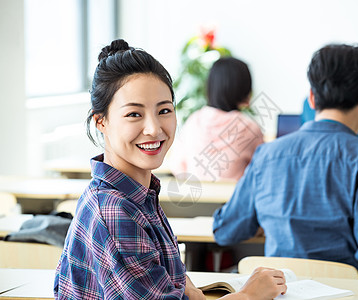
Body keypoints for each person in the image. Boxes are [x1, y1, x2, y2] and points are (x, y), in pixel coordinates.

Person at [54, 39, 287, 299]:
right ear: (101, 121)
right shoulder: (114, 211)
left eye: (164, 110)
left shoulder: (138, 194)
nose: (154, 128)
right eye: (134, 114)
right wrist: (248, 296)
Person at [213, 44, 358, 281]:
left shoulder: (267, 154)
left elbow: (225, 230)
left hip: (281, 293)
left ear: (312, 97)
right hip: (348, 295)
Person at [170, 57, 263, 182]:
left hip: (194, 198)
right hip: (232, 199)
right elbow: (263, 170)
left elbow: (177, 166)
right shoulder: (248, 127)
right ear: (244, 88)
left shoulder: (193, 120)